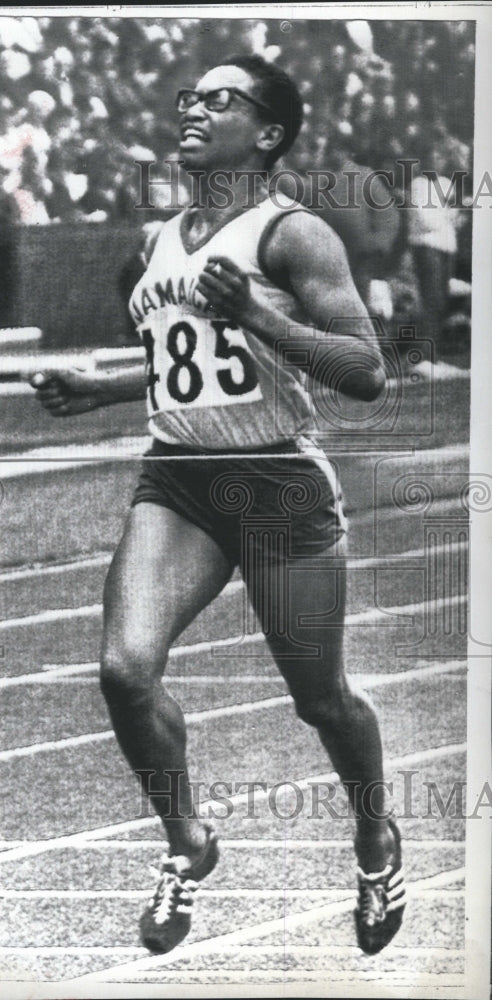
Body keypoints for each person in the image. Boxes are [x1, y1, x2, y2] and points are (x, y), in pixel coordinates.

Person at [32, 55, 406, 958]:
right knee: (125, 670)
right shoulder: (159, 240)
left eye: (219, 99)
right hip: (180, 480)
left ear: (268, 133)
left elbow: (367, 374)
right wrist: (98, 386)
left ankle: (375, 835)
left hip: (277, 481)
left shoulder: (294, 235)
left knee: (321, 702)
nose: (193, 108)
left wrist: (266, 318)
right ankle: (189, 844)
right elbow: (183, 364)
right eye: (189, 97)